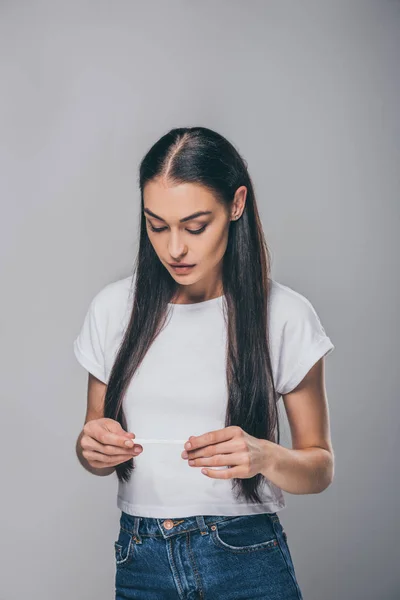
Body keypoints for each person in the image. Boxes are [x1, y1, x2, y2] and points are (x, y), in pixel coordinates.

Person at [73, 126, 334, 599]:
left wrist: (264, 455)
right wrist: (92, 448)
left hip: (245, 556)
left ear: (236, 205)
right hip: (141, 558)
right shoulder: (113, 310)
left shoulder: (285, 315)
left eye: (195, 227)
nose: (175, 248)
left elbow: (320, 467)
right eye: (157, 225)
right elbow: (94, 444)